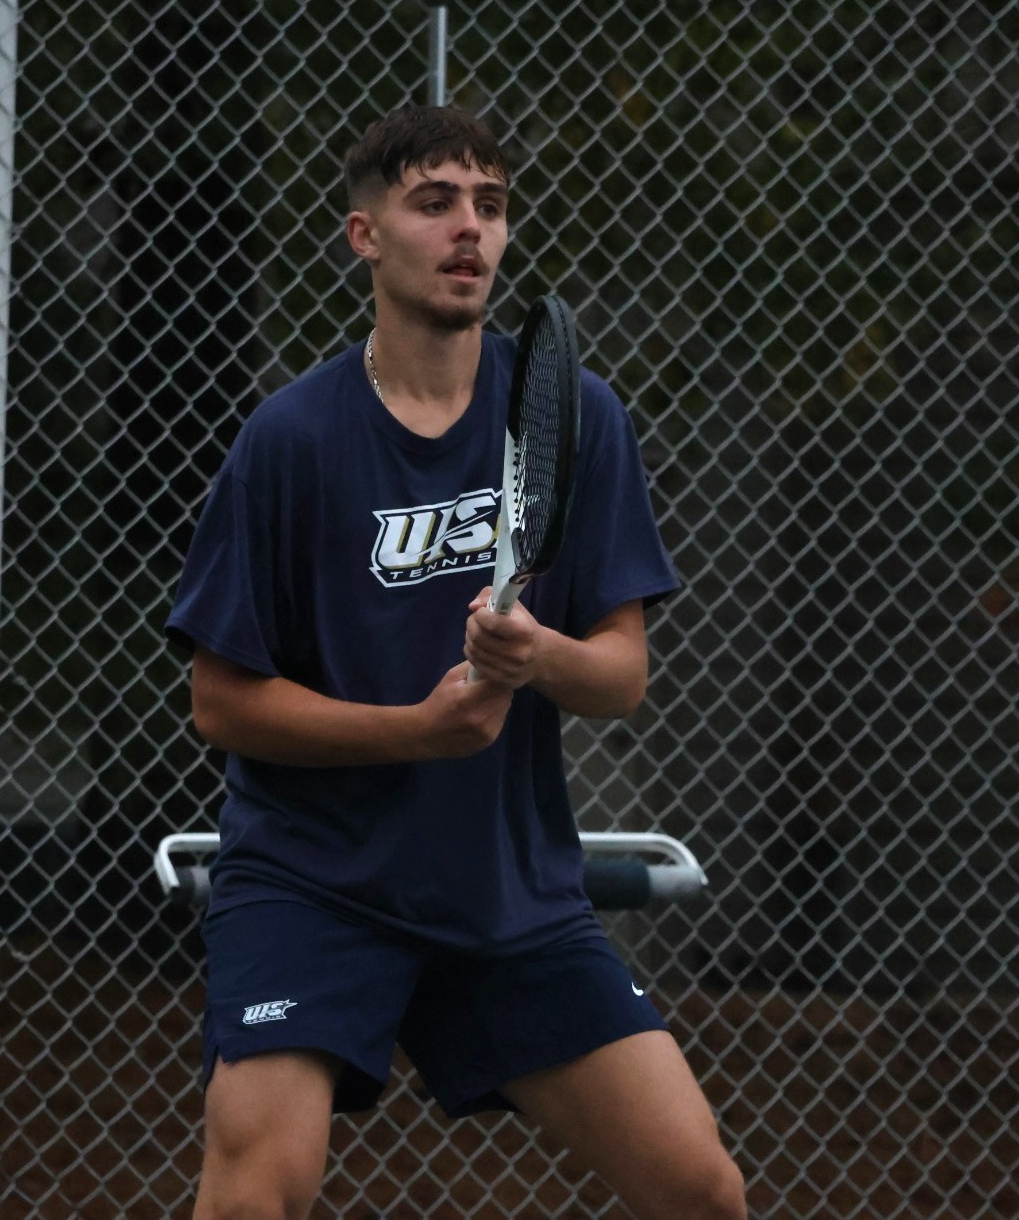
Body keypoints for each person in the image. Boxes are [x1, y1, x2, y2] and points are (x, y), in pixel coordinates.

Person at [165, 103, 746, 1220]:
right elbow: (219, 701)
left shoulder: (572, 416)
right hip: (314, 885)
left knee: (698, 1187)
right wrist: (412, 731)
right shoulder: (290, 440)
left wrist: (536, 655)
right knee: (252, 1196)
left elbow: (619, 675)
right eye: (433, 202)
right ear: (364, 235)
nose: (467, 229)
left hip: (505, 893)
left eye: (488, 204)